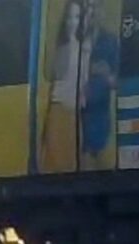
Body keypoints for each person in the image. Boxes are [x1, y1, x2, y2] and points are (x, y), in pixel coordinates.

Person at [40, 0, 88, 173]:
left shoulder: (86, 49)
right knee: (56, 168)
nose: (71, 22)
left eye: (76, 17)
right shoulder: (59, 50)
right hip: (58, 114)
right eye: (68, 18)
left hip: (75, 117)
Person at [80, 0, 118, 171]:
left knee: (101, 172)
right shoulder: (73, 41)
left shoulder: (111, 42)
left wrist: (104, 73)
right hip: (76, 115)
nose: (94, 12)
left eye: (97, 7)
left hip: (100, 118)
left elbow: (118, 81)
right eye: (90, 8)